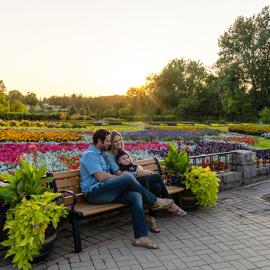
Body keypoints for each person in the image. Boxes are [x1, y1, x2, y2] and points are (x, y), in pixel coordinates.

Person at [80, 128, 175, 249]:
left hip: (107, 190)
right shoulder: (89, 155)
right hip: (94, 193)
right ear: (99, 140)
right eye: (108, 141)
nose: (109, 143)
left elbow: (114, 171)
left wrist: (128, 172)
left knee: (136, 196)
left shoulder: (102, 154)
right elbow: (99, 176)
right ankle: (154, 201)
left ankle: (141, 237)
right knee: (126, 178)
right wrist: (118, 178)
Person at [105, 130, 187, 233]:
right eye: (115, 141)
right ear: (111, 142)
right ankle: (171, 204)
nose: (118, 142)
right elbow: (118, 173)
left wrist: (139, 168)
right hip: (128, 182)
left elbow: (134, 164)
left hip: (137, 177)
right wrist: (141, 173)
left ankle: (151, 218)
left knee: (156, 186)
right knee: (156, 176)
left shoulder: (125, 152)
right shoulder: (109, 155)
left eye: (120, 139)